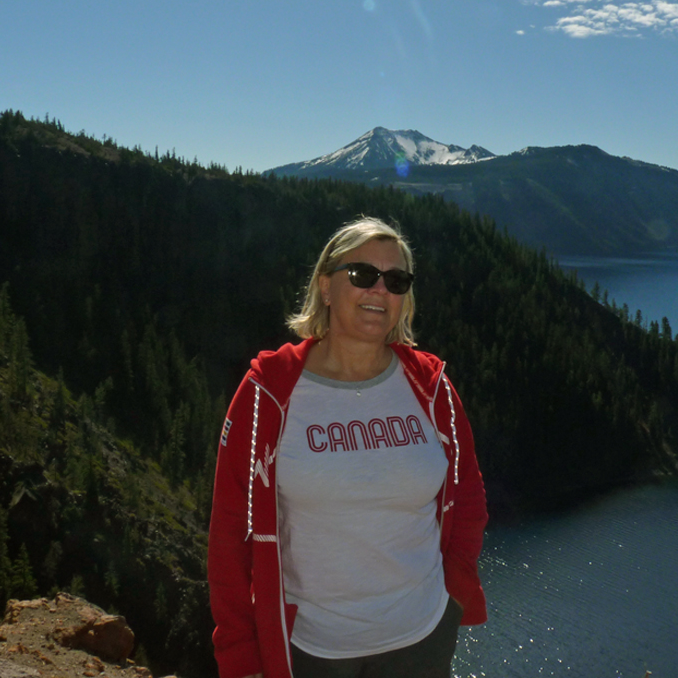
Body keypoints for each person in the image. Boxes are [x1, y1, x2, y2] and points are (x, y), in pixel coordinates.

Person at [207, 216, 488, 678]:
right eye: (362, 275)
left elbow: (469, 494)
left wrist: (453, 596)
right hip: (312, 649)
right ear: (325, 286)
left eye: (396, 281)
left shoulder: (431, 389)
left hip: (422, 638)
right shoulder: (269, 393)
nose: (380, 290)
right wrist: (241, 658)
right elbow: (230, 533)